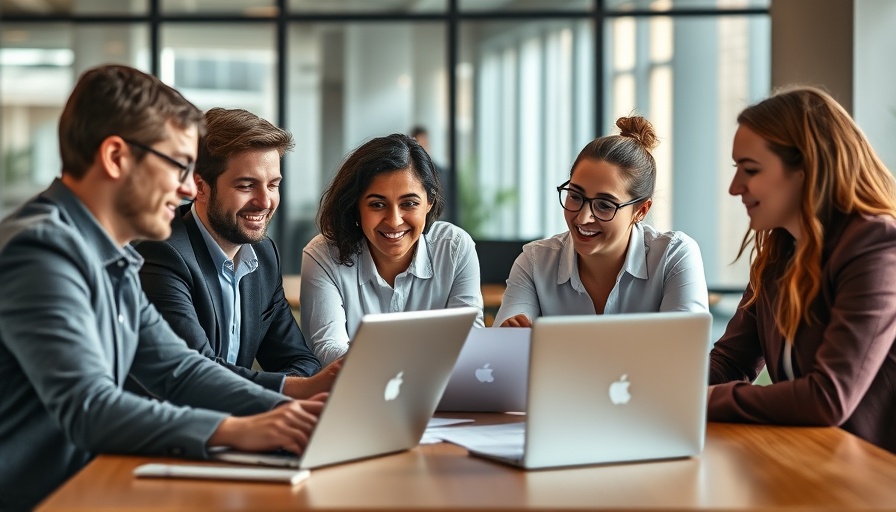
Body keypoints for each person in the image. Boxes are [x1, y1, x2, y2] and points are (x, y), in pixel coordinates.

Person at [0, 65, 324, 510]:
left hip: (96, 486)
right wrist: (235, 430)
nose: (191, 188)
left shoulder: (109, 254)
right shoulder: (41, 251)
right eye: (179, 166)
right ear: (116, 157)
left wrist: (294, 410)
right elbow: (90, 407)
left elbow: (178, 369)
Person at [708, 86, 896, 454]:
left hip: (875, 478)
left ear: (807, 168)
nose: (734, 188)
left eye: (750, 169)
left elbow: (827, 397)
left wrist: (704, 400)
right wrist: (662, 392)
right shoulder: (778, 252)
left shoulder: (877, 246)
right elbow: (732, 360)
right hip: (811, 459)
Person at [134, 107, 339, 400]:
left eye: (273, 185)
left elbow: (299, 361)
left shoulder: (263, 255)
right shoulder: (162, 252)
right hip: (172, 436)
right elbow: (196, 373)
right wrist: (295, 389)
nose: (265, 201)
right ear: (199, 187)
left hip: (245, 428)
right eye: (246, 185)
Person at [494, 116, 709, 327]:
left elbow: (683, 357)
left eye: (605, 205)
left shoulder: (673, 257)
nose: (583, 217)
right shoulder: (534, 263)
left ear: (640, 211)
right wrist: (510, 338)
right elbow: (505, 351)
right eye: (575, 197)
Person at [301, 133, 484, 365]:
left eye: (409, 203)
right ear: (356, 205)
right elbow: (329, 349)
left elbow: (471, 342)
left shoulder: (455, 248)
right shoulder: (323, 255)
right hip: (358, 394)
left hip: (443, 397)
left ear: (429, 202)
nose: (394, 220)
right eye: (377, 204)